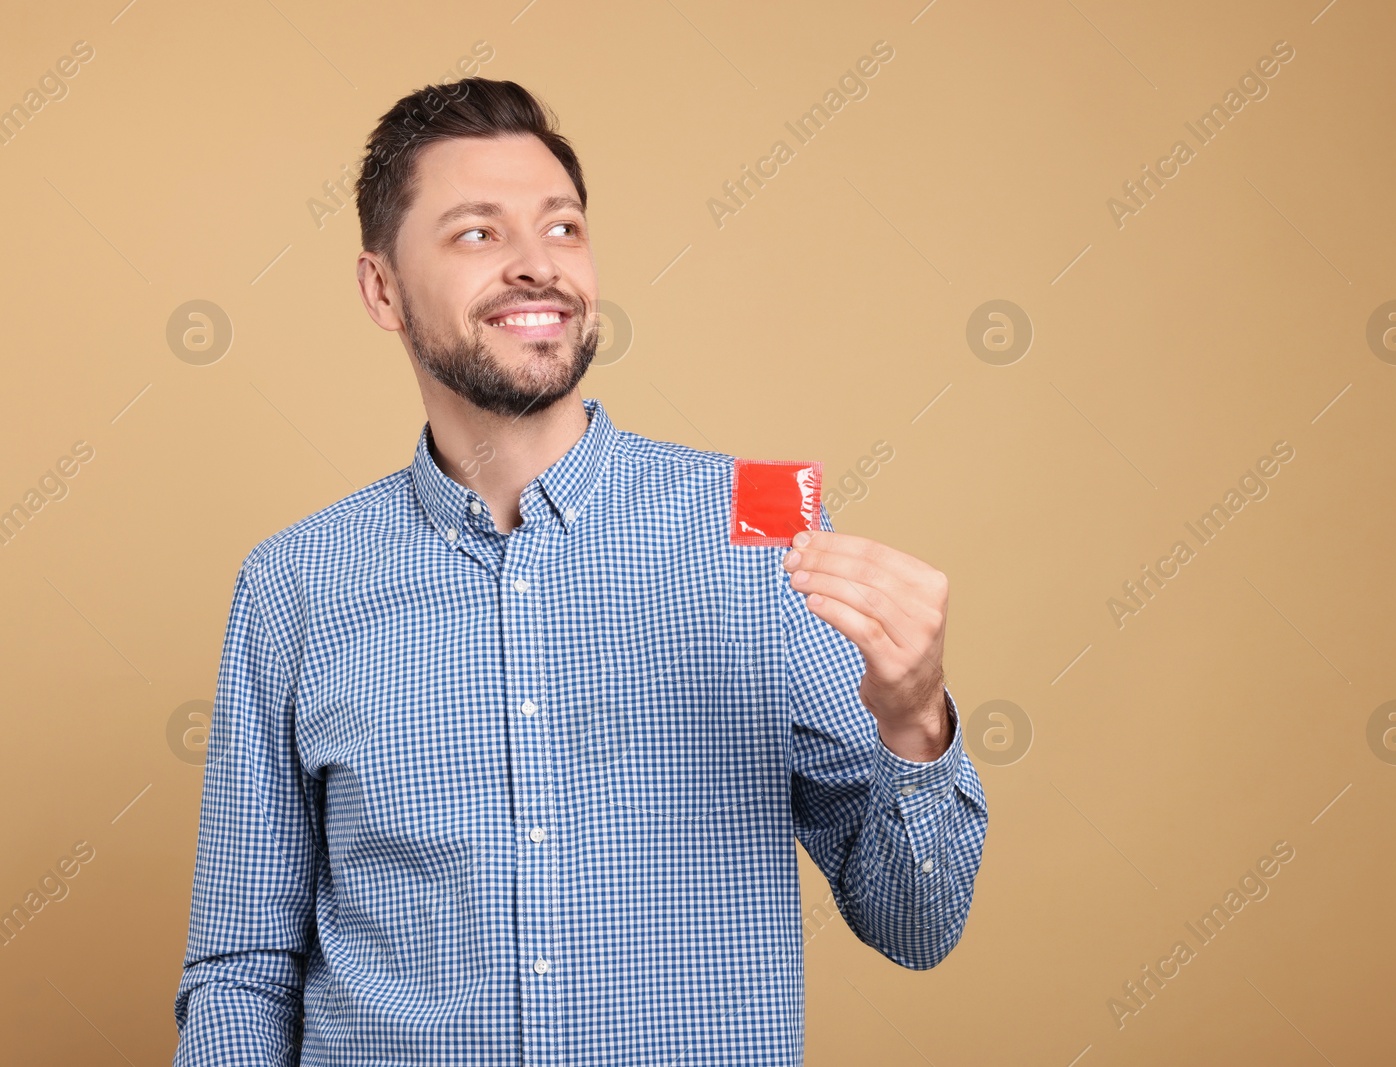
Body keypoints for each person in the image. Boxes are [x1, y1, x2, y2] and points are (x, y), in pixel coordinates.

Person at [170, 76, 987, 1065]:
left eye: (561, 229)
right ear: (380, 287)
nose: (535, 267)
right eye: (478, 234)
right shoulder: (294, 583)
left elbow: (917, 924)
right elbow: (243, 966)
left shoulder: (759, 533)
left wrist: (913, 721)